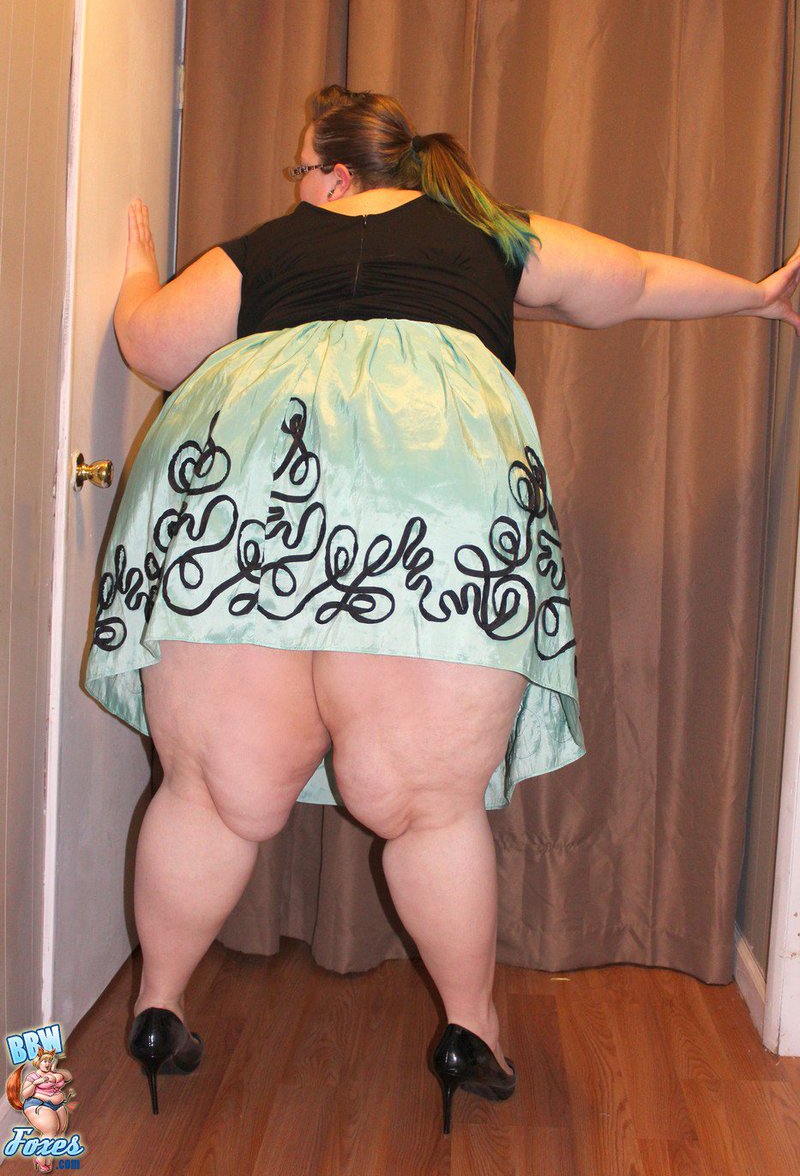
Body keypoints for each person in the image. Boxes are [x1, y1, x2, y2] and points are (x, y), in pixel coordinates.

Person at [84, 85, 800, 1134]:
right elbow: (633, 281)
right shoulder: (487, 235)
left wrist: (140, 266)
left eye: (299, 170)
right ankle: (469, 1031)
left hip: (241, 507)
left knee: (210, 791)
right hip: (431, 509)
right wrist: (758, 295)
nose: (298, 186)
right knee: (428, 807)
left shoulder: (262, 251)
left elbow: (150, 345)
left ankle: (158, 1009)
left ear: (333, 177)